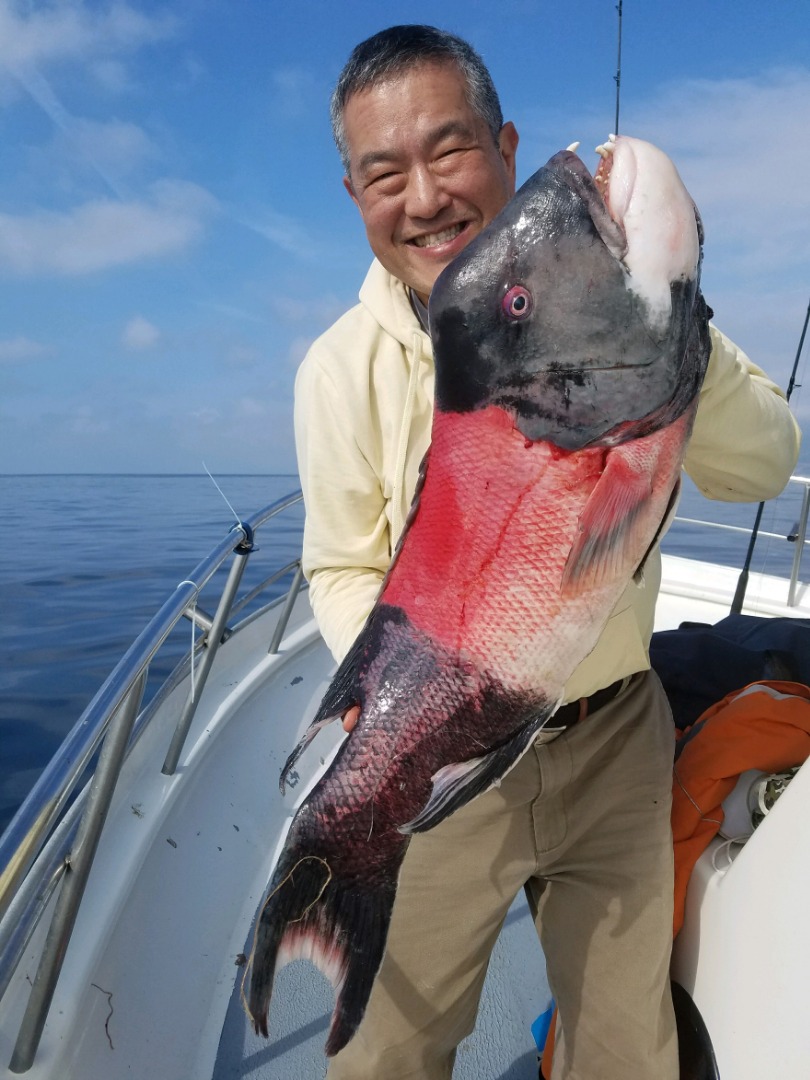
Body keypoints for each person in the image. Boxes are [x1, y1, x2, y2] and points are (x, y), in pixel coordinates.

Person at [293, 24, 801, 1080]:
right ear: (355, 197)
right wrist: (407, 706)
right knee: (389, 1052)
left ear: (506, 145)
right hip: (448, 768)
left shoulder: (636, 309)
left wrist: (660, 331)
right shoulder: (339, 372)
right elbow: (341, 566)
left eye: (449, 149)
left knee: (626, 1045)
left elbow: (761, 467)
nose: (424, 196)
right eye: (386, 173)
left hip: (616, 739)